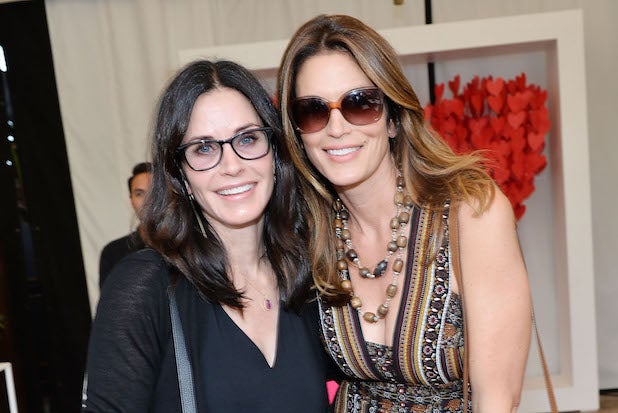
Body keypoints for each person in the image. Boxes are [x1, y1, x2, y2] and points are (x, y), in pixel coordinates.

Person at [277, 14, 532, 413]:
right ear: (297, 132)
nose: (336, 128)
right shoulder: (308, 229)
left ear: (394, 118)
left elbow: (497, 398)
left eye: (360, 103)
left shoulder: (470, 213)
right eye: (313, 111)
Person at [82, 60, 330, 412]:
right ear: (181, 175)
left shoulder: (308, 280)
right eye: (204, 148)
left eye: (247, 139)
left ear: (275, 154)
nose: (232, 165)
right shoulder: (145, 286)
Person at [98, 161, 152, 287]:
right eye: (139, 194)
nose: (147, 200)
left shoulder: (186, 245)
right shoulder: (113, 252)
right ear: (131, 200)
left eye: (154, 191)